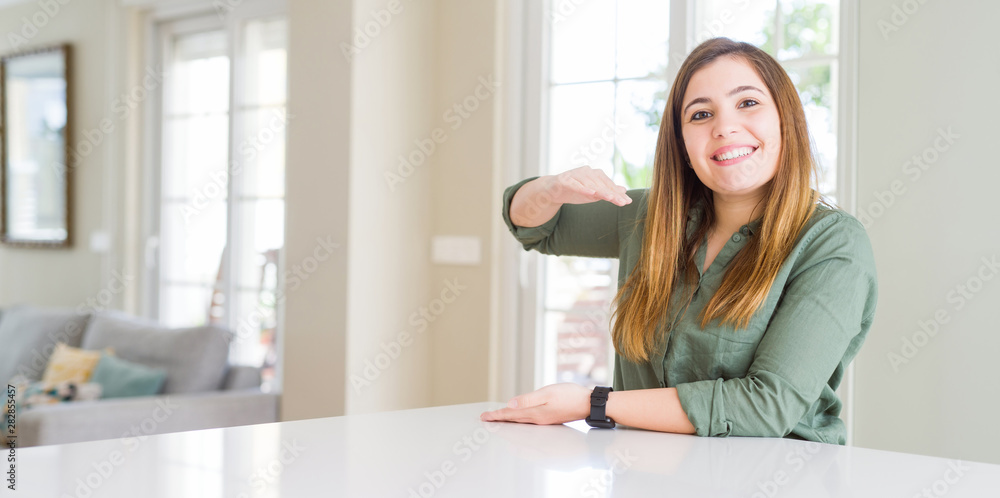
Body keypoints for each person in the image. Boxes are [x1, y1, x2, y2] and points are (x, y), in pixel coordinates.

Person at [480, 37, 878, 445]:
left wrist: (593, 403)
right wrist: (551, 188)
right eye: (701, 114)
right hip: (643, 469)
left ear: (785, 121)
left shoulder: (833, 244)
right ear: (683, 145)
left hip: (776, 473)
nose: (724, 128)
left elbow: (767, 405)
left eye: (748, 103)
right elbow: (533, 225)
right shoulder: (650, 217)